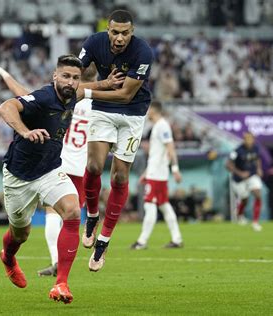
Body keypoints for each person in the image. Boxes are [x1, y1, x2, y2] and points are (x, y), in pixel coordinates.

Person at [0, 54, 111, 304]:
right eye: (66, 76)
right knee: (21, 234)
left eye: (75, 78)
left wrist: (108, 82)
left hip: (50, 170)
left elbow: (92, 87)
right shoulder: (43, 97)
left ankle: (61, 283)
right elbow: (6, 106)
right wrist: (26, 132)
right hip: (19, 176)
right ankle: (8, 257)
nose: (70, 82)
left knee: (71, 212)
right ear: (55, 76)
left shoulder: (75, 94)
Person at [78, 9, 154, 272]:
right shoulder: (94, 43)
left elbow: (124, 96)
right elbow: (75, 73)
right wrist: (86, 85)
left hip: (133, 114)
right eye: (114, 32)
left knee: (120, 179)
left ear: (131, 32)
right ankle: (91, 215)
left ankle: (103, 242)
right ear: (107, 29)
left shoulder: (143, 52)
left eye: (125, 33)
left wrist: (87, 93)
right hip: (103, 111)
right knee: (93, 167)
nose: (119, 38)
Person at [130, 101, 183, 250]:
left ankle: (142, 241)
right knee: (164, 206)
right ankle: (177, 238)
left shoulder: (162, 126)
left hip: (157, 174)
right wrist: (146, 172)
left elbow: (170, 147)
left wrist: (175, 169)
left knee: (149, 205)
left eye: (149, 110)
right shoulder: (158, 127)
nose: (147, 112)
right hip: (156, 172)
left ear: (155, 110)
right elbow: (157, 153)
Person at [226, 132, 264, 232]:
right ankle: (240, 214)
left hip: (252, 175)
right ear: (244, 139)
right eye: (247, 138)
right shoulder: (237, 151)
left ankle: (255, 222)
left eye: (251, 138)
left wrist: (259, 169)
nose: (249, 140)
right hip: (239, 179)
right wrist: (240, 173)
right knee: (245, 199)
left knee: (258, 194)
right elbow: (228, 164)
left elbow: (257, 159)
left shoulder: (256, 148)